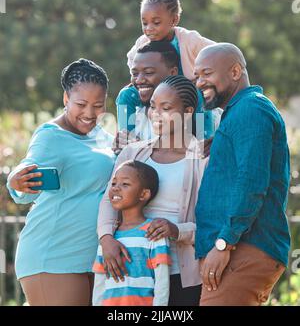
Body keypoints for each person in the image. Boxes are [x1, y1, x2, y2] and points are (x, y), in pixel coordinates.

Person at [6, 58, 115, 306]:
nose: (90, 113)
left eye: (98, 105)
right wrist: (16, 180)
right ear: (66, 99)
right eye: (81, 104)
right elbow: (27, 175)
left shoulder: (103, 136)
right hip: (53, 254)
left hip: (91, 256)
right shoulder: (50, 135)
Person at [193, 43, 291, 306]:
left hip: (241, 249)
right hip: (237, 250)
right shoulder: (238, 114)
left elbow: (251, 181)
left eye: (206, 73)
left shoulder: (251, 109)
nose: (200, 82)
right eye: (197, 76)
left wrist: (225, 242)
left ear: (235, 71)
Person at [98, 75, 208, 306]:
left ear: (188, 111)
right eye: (153, 106)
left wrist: (177, 230)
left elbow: (213, 222)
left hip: (180, 274)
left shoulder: (203, 159)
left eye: (166, 108)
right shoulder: (132, 153)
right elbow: (110, 199)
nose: (155, 114)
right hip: (131, 267)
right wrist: (106, 239)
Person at [116, 41, 219, 155]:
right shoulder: (134, 109)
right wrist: (121, 146)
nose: (139, 80)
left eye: (149, 72)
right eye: (134, 74)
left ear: (173, 72)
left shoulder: (212, 114)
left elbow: (204, 151)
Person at [92, 160, 171, 306]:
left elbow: (162, 285)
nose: (115, 188)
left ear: (143, 194)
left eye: (125, 184)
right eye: (114, 183)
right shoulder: (108, 239)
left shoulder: (153, 233)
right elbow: (99, 286)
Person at [127, 0, 215, 80]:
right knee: (127, 93)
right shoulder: (142, 42)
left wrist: (203, 77)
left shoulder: (189, 40)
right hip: (155, 89)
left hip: (191, 89)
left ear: (174, 20)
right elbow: (131, 58)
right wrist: (136, 76)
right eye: (145, 23)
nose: (148, 28)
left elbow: (217, 52)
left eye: (156, 22)